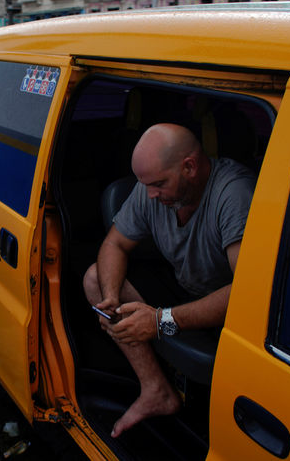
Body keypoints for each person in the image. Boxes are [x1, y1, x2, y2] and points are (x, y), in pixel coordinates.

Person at [83, 123, 255, 438]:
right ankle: (156, 391)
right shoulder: (152, 189)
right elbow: (115, 244)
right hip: (187, 289)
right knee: (96, 279)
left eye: (159, 184)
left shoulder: (233, 194)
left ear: (189, 166)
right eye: (145, 185)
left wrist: (161, 321)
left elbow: (250, 293)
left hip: (233, 314)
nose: (150, 195)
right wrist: (111, 300)